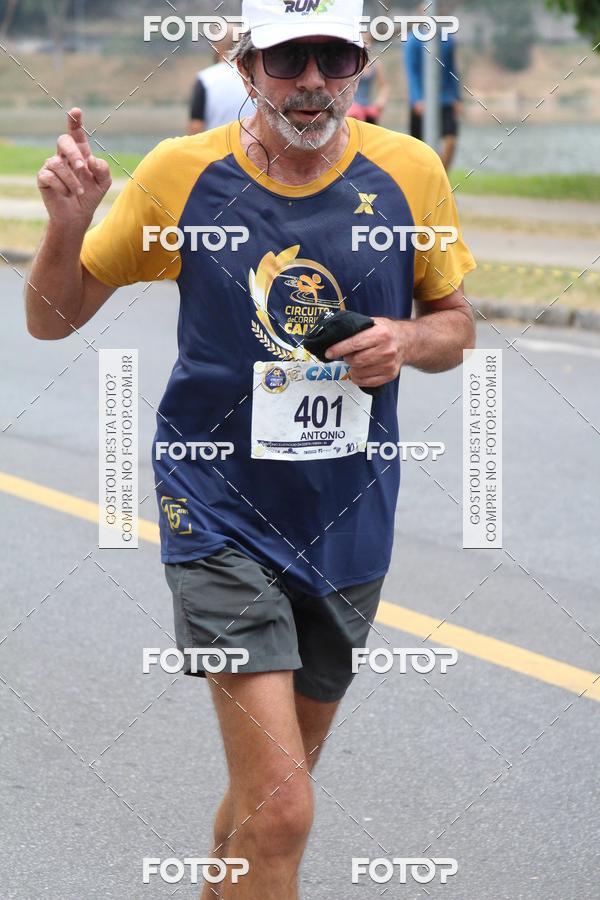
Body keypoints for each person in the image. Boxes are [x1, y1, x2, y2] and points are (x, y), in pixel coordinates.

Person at [27, 0, 476, 894]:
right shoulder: (182, 176)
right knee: (284, 809)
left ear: (360, 64)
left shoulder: (410, 172)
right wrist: (69, 222)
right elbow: (52, 317)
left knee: (268, 799)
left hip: (348, 520)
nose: (312, 81)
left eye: (333, 57)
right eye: (286, 60)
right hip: (218, 515)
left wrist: (406, 340)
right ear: (244, 70)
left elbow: (456, 326)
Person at [404, 1, 462, 170]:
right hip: (421, 101)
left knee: (451, 139)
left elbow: (452, 70)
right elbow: (411, 72)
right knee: (419, 149)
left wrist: (457, 97)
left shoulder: (447, 40)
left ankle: (442, 178)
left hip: (444, 99)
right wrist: (417, 99)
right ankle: (422, 184)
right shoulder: (413, 41)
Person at [188, 28, 248, 134]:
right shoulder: (252, 76)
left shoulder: (205, 78)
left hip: (217, 149)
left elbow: (195, 127)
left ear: (217, 47)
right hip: (252, 147)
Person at [347, 34, 390, 125]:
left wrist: (381, 100)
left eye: (367, 41)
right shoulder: (349, 63)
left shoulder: (375, 64)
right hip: (352, 111)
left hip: (368, 108)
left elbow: (384, 86)